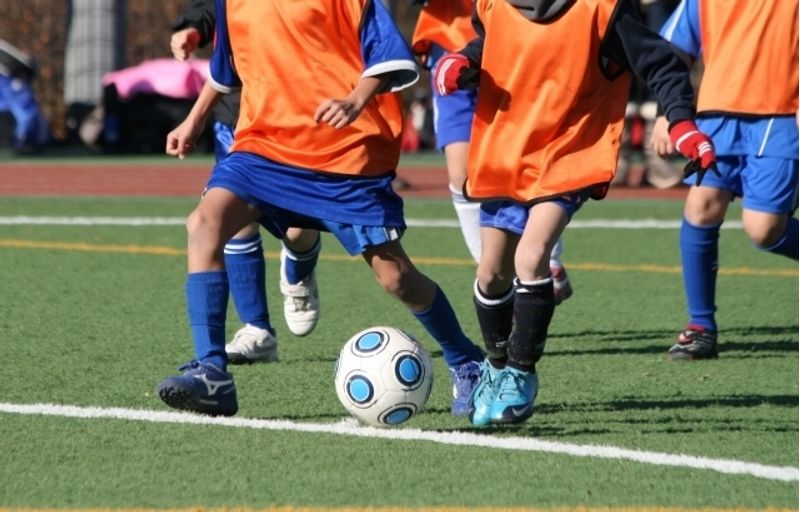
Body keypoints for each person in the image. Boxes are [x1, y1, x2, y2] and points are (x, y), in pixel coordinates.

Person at [156, 0, 485, 417]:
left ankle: (466, 359)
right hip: (265, 145)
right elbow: (228, 69)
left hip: (343, 151)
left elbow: (390, 56)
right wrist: (194, 119)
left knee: (396, 277)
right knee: (205, 222)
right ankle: (212, 373)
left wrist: (355, 99)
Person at [433, 0, 714, 425]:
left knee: (531, 256)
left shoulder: (603, 10)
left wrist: (681, 122)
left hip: (570, 153)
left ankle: (521, 377)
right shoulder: (492, 4)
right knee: (490, 273)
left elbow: (661, 64)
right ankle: (495, 366)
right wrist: (461, 60)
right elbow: (490, 44)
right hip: (506, 150)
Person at [170, 0, 323, 366]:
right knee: (231, 217)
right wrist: (193, 28)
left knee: (300, 228)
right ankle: (257, 329)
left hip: (300, 113)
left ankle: (300, 266)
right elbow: (219, 10)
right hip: (238, 117)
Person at [649, 0, 799, 361]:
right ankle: (701, 327)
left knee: (763, 230)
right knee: (701, 207)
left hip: (779, 118)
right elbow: (673, 52)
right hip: (715, 115)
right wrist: (668, 113)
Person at [408, 0, 573, 304]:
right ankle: (495, 277)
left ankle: (548, 258)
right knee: (463, 175)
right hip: (452, 41)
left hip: (522, 37)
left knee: (530, 155)